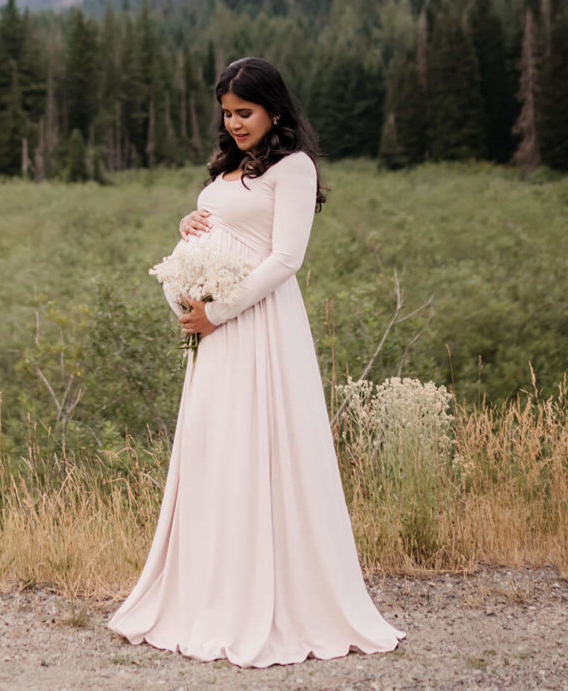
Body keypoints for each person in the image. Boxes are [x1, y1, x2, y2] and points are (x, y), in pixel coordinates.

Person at [107, 56, 404, 667]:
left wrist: (221, 311)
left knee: (261, 447)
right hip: (215, 333)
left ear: (274, 109)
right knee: (216, 449)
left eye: (245, 113)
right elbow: (213, 234)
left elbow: (286, 257)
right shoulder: (227, 168)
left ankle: (276, 598)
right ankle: (211, 590)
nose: (235, 123)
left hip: (259, 324)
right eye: (227, 114)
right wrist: (188, 242)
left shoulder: (293, 168)